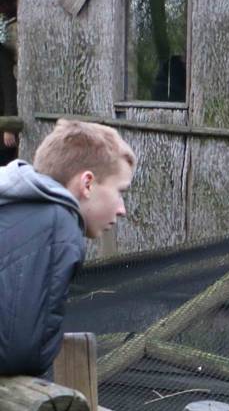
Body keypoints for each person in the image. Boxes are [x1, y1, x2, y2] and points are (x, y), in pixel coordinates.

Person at [0, 119, 135, 376]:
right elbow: (23, 354)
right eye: (120, 192)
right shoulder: (59, 226)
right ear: (87, 184)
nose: (122, 209)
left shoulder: (16, 208)